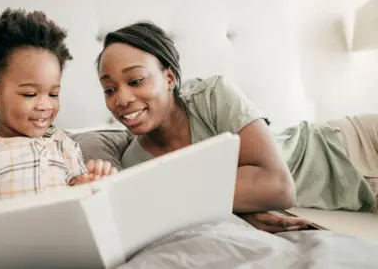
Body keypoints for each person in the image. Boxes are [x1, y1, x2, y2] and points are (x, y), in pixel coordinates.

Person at [95, 21, 378, 232]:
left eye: (135, 81)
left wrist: (172, 194)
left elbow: (278, 186)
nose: (121, 99)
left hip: (353, 145)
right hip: (356, 193)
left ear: (169, 78)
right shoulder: (132, 164)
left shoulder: (212, 96)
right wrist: (242, 211)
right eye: (109, 90)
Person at [0, 8, 117, 234]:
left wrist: (90, 183)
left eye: (53, 94)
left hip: (64, 242)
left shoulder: (62, 144)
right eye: (30, 94)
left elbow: (77, 198)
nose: (44, 105)